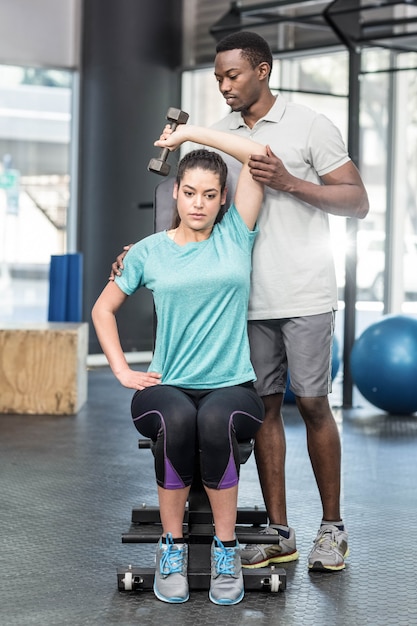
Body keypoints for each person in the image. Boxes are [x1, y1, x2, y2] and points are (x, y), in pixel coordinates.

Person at [111, 31, 369, 573]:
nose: (224, 86)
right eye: (218, 78)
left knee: (316, 404)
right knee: (267, 409)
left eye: (233, 76)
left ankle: (332, 527)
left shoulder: (309, 125)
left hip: (303, 291)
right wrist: (145, 254)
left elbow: (357, 201)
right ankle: (279, 532)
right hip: (245, 301)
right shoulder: (222, 137)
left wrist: (294, 184)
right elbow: (198, 210)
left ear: (263, 70)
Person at [92, 122, 268, 605]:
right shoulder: (148, 251)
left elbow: (258, 153)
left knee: (214, 420)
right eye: (189, 192)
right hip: (166, 383)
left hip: (233, 384)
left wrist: (191, 134)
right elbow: (102, 310)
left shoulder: (236, 235)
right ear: (175, 193)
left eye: (209, 195)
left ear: (223, 199)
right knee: (176, 418)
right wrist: (123, 372)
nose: (197, 203)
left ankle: (225, 550)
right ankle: (170, 546)